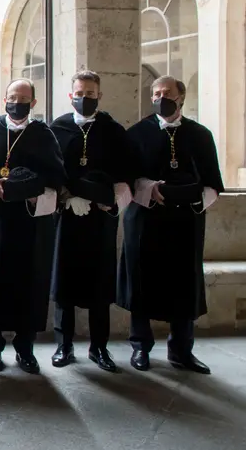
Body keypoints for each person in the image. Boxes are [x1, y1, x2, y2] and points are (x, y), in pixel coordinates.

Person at [119, 75, 224, 374]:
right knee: (141, 282)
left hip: (185, 221)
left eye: (167, 93)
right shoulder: (136, 133)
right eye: (155, 93)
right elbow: (128, 179)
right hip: (145, 220)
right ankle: (140, 347)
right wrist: (151, 189)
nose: (160, 97)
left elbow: (214, 183)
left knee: (184, 284)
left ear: (181, 98)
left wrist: (190, 196)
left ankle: (181, 350)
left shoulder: (200, 134)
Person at [0, 78, 65, 374]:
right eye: (12, 98)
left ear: (33, 103)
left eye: (24, 99)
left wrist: (25, 189)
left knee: (30, 282)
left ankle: (25, 348)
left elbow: (56, 176)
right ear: (4, 99)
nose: (17, 103)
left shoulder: (43, 133)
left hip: (31, 224)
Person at [49, 70, 132, 373]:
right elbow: (51, 171)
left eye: (90, 93)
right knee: (64, 281)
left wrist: (110, 202)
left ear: (100, 95)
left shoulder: (112, 130)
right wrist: (67, 196)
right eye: (79, 93)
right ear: (70, 95)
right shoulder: (57, 128)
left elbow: (125, 174)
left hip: (100, 218)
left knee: (100, 282)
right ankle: (64, 345)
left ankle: (100, 347)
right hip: (68, 216)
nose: (84, 98)